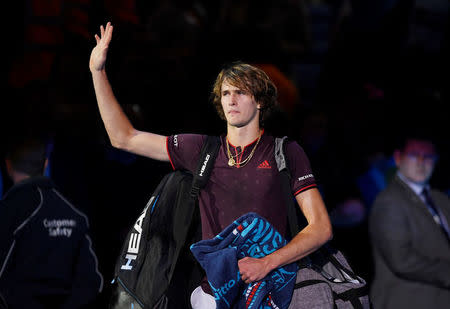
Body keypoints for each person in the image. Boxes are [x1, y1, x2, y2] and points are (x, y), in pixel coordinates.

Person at [89, 22, 332, 308]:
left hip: (271, 290)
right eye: (227, 93)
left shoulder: (285, 151)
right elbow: (124, 138)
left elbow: (321, 228)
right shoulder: (202, 149)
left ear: (260, 102)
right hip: (212, 296)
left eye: (241, 92)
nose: (232, 99)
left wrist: (266, 263)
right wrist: (98, 71)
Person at [0, 137, 103, 308]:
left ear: (8, 165)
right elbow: (92, 280)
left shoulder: (8, 212)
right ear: (46, 164)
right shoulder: (73, 214)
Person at [369, 133, 450, 308]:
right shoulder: (389, 200)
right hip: (408, 301)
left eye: (428, 156)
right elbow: (401, 260)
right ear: (398, 158)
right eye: (414, 155)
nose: (421, 161)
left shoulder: (441, 199)